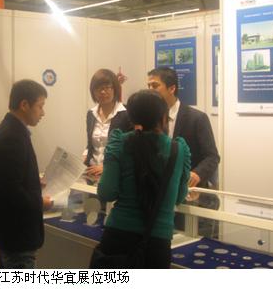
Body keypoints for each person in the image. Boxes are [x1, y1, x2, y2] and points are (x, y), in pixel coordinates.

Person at [93, 89, 190, 268]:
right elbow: (179, 197)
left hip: (118, 237)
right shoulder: (178, 149)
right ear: (163, 118)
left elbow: (106, 192)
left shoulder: (119, 143)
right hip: (157, 243)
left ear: (132, 118)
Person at [0, 79, 53, 269]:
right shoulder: (12, 137)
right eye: (40, 106)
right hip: (17, 234)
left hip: (10, 233)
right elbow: (9, 191)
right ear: (24, 105)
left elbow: (10, 177)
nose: (43, 113)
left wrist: (33, 182)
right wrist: (39, 202)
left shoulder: (8, 129)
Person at [147, 66, 220, 236]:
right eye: (148, 86)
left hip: (189, 197)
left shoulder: (196, 118)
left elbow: (212, 156)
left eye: (155, 86)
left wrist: (196, 174)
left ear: (172, 88)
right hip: (158, 197)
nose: (150, 90)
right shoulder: (151, 118)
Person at [84, 69, 132, 179]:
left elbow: (130, 149)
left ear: (115, 88)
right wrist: (84, 158)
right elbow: (90, 144)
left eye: (107, 88)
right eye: (98, 88)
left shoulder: (126, 114)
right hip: (91, 172)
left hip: (115, 173)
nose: (103, 92)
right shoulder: (91, 114)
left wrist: (106, 166)